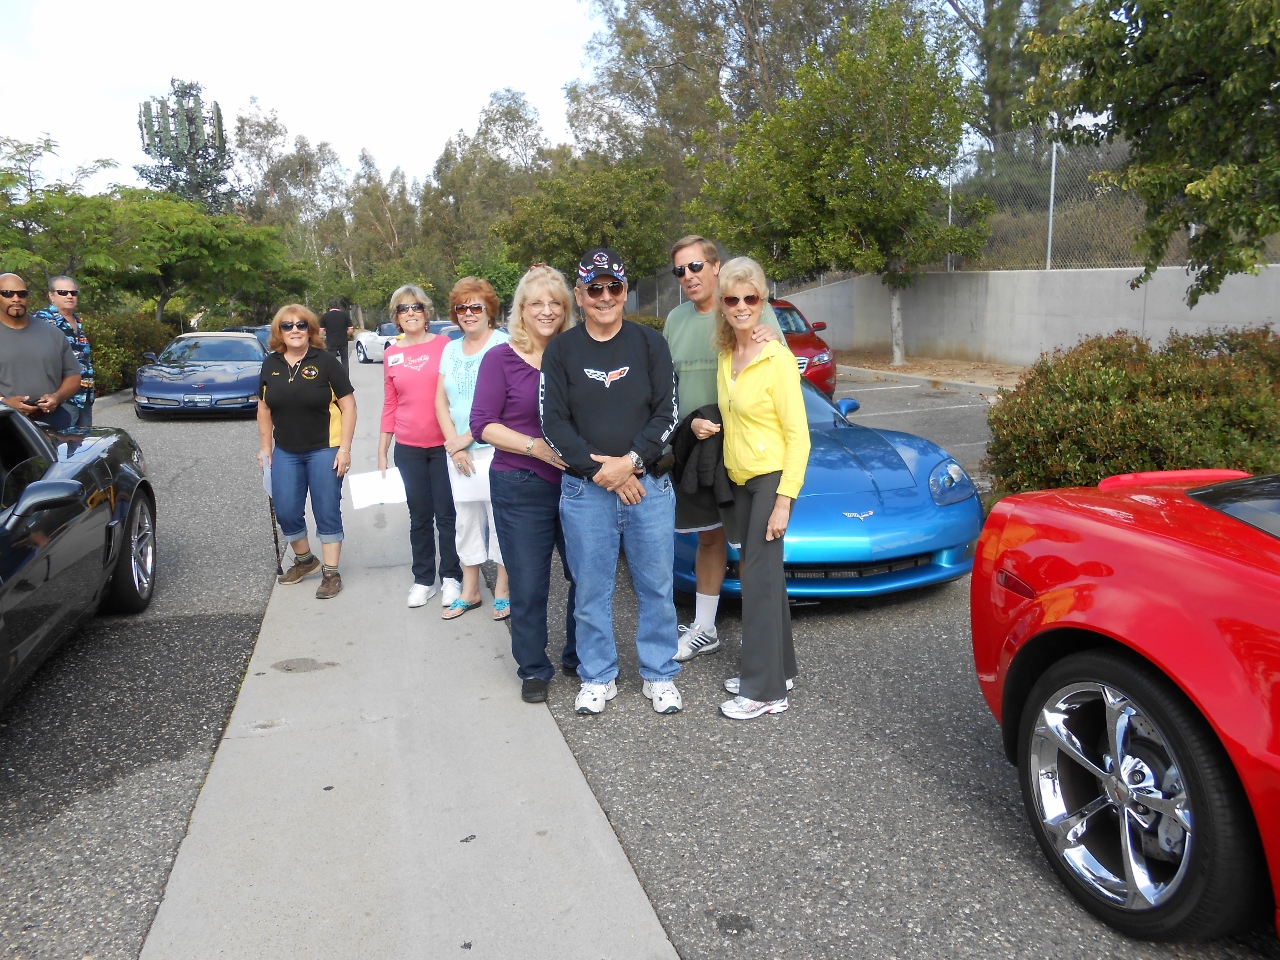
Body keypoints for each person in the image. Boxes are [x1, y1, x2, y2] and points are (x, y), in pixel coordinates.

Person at [541, 248, 682, 716]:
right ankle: (598, 677)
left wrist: (633, 461)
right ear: (579, 296)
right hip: (587, 491)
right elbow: (553, 422)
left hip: (649, 490)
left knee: (658, 588)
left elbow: (668, 411)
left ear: (625, 292)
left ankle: (659, 674)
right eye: (594, 289)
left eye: (613, 287)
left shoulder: (649, 344)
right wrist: (603, 471)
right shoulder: (561, 350)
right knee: (590, 591)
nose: (605, 297)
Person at [663, 236, 785, 663]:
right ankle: (704, 628)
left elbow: (779, 377)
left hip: (743, 452)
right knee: (710, 541)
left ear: (716, 266)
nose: (689, 277)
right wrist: (687, 425)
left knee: (751, 547)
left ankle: (758, 642)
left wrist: (772, 336)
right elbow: (668, 389)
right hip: (697, 450)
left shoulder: (748, 306)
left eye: (696, 267)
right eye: (680, 271)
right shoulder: (675, 321)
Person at [471, 264, 578, 703]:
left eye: (555, 302)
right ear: (521, 310)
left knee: (585, 577)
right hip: (521, 482)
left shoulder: (577, 353)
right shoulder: (501, 357)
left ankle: (578, 655)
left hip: (578, 485)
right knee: (530, 583)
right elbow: (482, 425)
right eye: (537, 302)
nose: (547, 310)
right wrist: (534, 447)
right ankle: (534, 667)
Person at [710, 258, 809, 719]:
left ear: (762, 301)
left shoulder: (778, 358)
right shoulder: (728, 354)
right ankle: (777, 668)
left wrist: (784, 499)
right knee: (764, 578)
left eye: (751, 298)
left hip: (770, 480)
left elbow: (798, 435)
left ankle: (765, 692)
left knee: (761, 584)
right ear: (723, 306)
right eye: (733, 299)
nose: (742, 306)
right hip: (741, 479)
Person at [257, 304, 357, 600]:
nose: (295, 330)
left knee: (326, 509)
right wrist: (265, 450)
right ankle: (305, 561)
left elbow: (348, 405)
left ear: (311, 330)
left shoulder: (325, 362)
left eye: (301, 325)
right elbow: (263, 407)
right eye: (287, 326)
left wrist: (345, 449)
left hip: (325, 448)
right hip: (286, 450)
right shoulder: (270, 364)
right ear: (279, 332)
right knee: (286, 510)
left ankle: (330, 572)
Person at [377, 285, 464, 609]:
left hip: (444, 446)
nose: (410, 313)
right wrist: (382, 450)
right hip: (409, 448)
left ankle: (452, 577)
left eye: (415, 307)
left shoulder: (446, 346)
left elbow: (457, 395)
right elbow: (390, 403)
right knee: (419, 517)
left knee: (447, 515)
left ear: (427, 313)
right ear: (396, 318)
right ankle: (423, 579)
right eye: (403, 309)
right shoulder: (391, 354)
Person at [435, 278, 510, 621]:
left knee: (500, 519)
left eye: (475, 306)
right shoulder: (450, 349)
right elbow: (440, 400)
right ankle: (471, 589)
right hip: (460, 454)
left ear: (489, 310)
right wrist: (455, 446)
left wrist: (469, 437)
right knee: (465, 520)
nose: (468, 313)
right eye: (461, 307)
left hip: (498, 449)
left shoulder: (504, 344)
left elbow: (510, 401)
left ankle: (505, 589)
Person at [0, 274, 81, 430]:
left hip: (53, 420)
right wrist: (4, 402)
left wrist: (57, 397)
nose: (16, 299)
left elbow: (74, 375)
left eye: (22, 294)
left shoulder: (53, 333)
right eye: (7, 293)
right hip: (6, 423)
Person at [32, 276, 95, 428]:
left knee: (83, 445)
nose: (69, 296)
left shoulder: (77, 321)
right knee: (59, 445)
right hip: (60, 399)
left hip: (84, 397)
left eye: (73, 293)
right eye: (63, 292)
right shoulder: (41, 321)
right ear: (51, 295)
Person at [319, 299, 354, 367]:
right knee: (344, 360)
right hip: (343, 341)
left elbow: (321, 331)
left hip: (331, 342)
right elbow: (350, 330)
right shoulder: (345, 315)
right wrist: (345, 334)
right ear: (339, 307)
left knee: (331, 361)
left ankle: (333, 377)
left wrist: (325, 336)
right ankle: (345, 376)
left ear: (330, 307)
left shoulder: (325, 316)